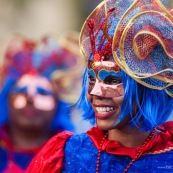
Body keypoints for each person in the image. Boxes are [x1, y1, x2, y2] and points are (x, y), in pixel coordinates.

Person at [27, 0, 173, 172]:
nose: (95, 92)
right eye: (91, 79)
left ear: (147, 87)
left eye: (111, 80)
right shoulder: (65, 154)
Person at [0, 33, 81, 172]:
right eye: (22, 91)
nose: (30, 98)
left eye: (42, 93)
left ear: (58, 104)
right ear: (7, 98)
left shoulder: (73, 157)